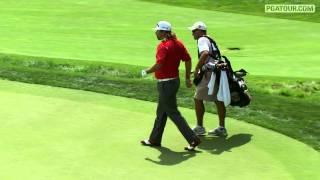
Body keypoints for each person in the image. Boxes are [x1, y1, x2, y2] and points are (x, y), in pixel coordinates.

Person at [140, 21, 200, 151]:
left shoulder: (163, 46)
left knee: (173, 113)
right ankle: (154, 139)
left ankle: (193, 139)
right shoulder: (178, 44)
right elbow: (188, 59)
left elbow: (159, 64)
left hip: (165, 84)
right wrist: (187, 78)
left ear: (163, 32)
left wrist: (146, 71)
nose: (155, 32)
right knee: (161, 112)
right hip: (174, 82)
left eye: (157, 31)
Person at [188, 21, 229, 137]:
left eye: (194, 31)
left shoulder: (202, 39)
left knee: (197, 98)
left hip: (210, 74)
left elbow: (205, 53)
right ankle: (221, 128)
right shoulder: (209, 38)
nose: (192, 34)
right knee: (218, 99)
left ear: (201, 31)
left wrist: (197, 68)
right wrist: (201, 68)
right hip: (217, 72)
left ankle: (200, 128)